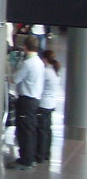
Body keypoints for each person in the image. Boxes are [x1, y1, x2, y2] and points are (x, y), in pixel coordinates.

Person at [8, 35, 44, 170]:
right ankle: (30, 157)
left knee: (24, 131)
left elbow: (15, 79)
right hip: (35, 100)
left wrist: (9, 75)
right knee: (30, 130)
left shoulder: (27, 64)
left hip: (26, 100)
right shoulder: (39, 62)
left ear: (25, 47)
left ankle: (25, 161)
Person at [36, 50, 62, 164]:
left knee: (41, 130)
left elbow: (38, 85)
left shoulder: (45, 71)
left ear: (45, 59)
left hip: (43, 104)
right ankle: (46, 153)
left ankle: (40, 154)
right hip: (51, 104)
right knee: (47, 130)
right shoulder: (55, 71)